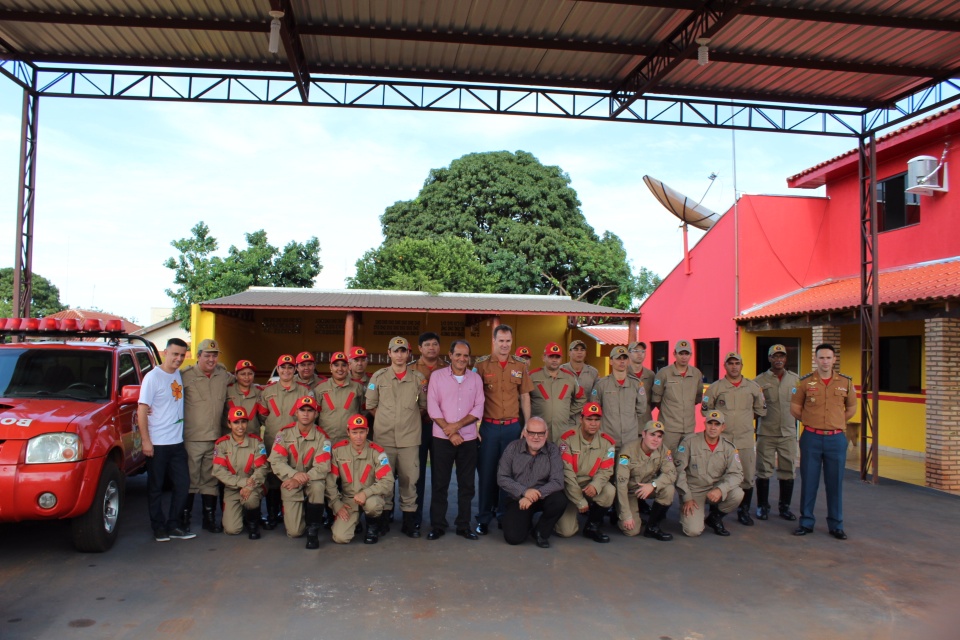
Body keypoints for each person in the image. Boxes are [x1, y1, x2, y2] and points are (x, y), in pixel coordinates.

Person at [790, 344, 856, 540]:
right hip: (812, 437)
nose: (825, 361)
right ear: (816, 359)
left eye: (828, 358)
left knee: (834, 483)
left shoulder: (845, 383)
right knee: (809, 481)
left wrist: (836, 422)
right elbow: (795, 407)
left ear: (834, 359)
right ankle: (806, 522)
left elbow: (851, 408)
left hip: (836, 439)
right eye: (821, 358)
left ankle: (836, 524)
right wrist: (812, 421)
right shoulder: (805, 383)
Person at [365, 336, 428, 538]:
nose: (399, 355)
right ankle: (383, 521)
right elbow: (371, 405)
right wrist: (386, 420)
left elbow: (424, 406)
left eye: (403, 351)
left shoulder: (418, 378)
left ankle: (409, 524)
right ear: (389, 353)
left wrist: (407, 421)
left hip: (409, 440)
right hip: (384, 440)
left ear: (408, 353)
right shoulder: (378, 377)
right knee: (384, 480)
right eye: (396, 350)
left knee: (410, 481)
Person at [473, 324, 533, 535]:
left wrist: (526, 424)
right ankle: (483, 518)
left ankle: (503, 515)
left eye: (508, 341)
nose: (505, 345)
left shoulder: (520, 365)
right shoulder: (481, 365)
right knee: (487, 475)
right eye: (501, 341)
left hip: (512, 429)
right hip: (488, 428)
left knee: (508, 474)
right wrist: (475, 425)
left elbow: (525, 395)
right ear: (494, 341)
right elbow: (474, 396)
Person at [137, 337, 196, 541]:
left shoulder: (179, 375)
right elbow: (142, 409)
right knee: (156, 488)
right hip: (157, 444)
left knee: (182, 485)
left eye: (182, 355)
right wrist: (146, 441)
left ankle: (174, 524)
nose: (178, 359)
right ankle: (158, 527)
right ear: (165, 353)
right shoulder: (152, 378)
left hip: (177, 443)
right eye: (175, 354)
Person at [425, 339, 484, 541]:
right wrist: (450, 432)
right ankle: (438, 525)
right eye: (458, 354)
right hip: (442, 438)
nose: (461, 359)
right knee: (440, 483)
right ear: (450, 355)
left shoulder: (475, 379)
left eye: (465, 355)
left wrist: (456, 427)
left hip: (467, 439)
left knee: (466, 484)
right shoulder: (437, 376)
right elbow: (433, 407)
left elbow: (478, 408)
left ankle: (463, 525)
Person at [701, 352, 766, 526]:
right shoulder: (716, 387)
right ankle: (715, 511)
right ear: (725, 366)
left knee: (747, 475)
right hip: (722, 440)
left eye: (737, 363)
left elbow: (760, 410)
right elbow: (706, 410)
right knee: (718, 474)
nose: (734, 366)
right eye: (730, 363)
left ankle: (743, 511)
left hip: (744, 439)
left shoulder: (753, 387)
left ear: (742, 365)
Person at [256, 354, 315, 529]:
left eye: (290, 367)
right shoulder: (267, 391)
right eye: (283, 367)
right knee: (274, 478)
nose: (287, 370)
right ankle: (273, 514)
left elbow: (311, 415)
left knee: (299, 475)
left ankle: (298, 514)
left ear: (295, 369)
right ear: (278, 368)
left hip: (299, 442)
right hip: (273, 441)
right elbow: (262, 416)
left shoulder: (304, 391)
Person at [180, 338, 233, 534]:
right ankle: (184, 517)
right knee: (191, 479)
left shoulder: (222, 374)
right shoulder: (185, 376)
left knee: (211, 479)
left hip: (215, 437)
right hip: (192, 437)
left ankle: (209, 518)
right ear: (198, 356)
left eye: (214, 355)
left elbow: (239, 381)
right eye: (207, 355)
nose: (211, 359)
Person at [267, 396, 332, 549]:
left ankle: (313, 530)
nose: (306, 414)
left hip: (311, 479)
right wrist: (294, 476)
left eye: (310, 411)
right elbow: (276, 461)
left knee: (317, 487)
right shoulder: (283, 434)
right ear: (296, 412)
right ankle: (301, 514)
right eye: (302, 410)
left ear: (316, 414)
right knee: (294, 532)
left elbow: (322, 466)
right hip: (291, 480)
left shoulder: (323, 437)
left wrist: (302, 478)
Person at [496, 416, 565, 548]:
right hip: (519, 498)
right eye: (532, 433)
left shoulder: (553, 450)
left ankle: (540, 531)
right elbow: (502, 477)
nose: (536, 437)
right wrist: (524, 492)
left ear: (547, 434)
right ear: (525, 432)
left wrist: (535, 494)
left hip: (544, 495)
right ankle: (525, 522)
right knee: (513, 538)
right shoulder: (513, 448)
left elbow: (557, 481)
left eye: (540, 433)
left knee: (559, 501)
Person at [326, 414, 395, 545]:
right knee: (340, 537)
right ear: (348, 432)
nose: (358, 436)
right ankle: (354, 523)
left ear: (367, 431)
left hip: (371, 497)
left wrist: (366, 493)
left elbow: (388, 481)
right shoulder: (338, 451)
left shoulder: (377, 452)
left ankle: (372, 528)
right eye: (354, 432)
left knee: (373, 505)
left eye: (362, 432)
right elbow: (330, 481)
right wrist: (336, 504)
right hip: (349, 500)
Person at [674, 410, 744, 537]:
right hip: (694, 490)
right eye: (710, 423)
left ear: (723, 427)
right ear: (704, 424)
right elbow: (679, 471)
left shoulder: (728, 447)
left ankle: (715, 518)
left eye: (717, 424)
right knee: (692, 531)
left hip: (715, 489)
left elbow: (737, 474)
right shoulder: (689, 442)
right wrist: (687, 497)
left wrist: (721, 489)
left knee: (738, 494)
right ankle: (690, 514)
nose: (713, 427)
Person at [554, 403, 616, 543]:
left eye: (597, 420)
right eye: (589, 419)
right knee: (566, 532)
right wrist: (579, 500)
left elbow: (606, 470)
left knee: (609, 491)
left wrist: (595, 485)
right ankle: (563, 515)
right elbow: (567, 473)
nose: (593, 424)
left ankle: (592, 526)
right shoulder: (567, 439)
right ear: (581, 419)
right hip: (570, 487)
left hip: (590, 485)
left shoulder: (608, 442)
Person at [754, 344, 801, 521]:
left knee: (788, 470)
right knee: (763, 470)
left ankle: (784, 507)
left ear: (785, 359)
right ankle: (762, 506)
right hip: (766, 432)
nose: (778, 359)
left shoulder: (796, 380)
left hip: (788, 434)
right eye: (775, 356)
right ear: (769, 359)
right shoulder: (759, 381)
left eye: (782, 356)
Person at [212, 407, 269, 539]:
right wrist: (242, 482)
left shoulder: (256, 442)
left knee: (250, 500)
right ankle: (241, 514)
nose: (240, 426)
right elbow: (219, 471)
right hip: (232, 488)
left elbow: (262, 468)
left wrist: (249, 486)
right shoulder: (222, 444)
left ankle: (253, 524)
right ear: (229, 424)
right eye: (236, 422)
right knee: (232, 529)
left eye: (243, 422)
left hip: (252, 487)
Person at [616, 420, 677, 541]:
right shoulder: (627, 451)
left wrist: (654, 485)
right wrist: (626, 515)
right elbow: (621, 484)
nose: (656, 439)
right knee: (631, 531)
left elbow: (671, 473)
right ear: (643, 434)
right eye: (652, 435)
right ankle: (617, 513)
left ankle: (652, 527)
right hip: (629, 492)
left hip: (647, 487)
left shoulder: (663, 450)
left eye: (659, 436)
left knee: (668, 489)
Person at [409, 331, 446, 530]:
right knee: (418, 474)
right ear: (420, 348)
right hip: (419, 428)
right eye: (427, 345)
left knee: (441, 476)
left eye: (435, 344)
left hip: (442, 428)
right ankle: (415, 518)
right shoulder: (411, 369)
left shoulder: (449, 369)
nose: (431, 348)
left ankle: (438, 519)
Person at [651, 339, 704, 454]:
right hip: (669, 428)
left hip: (689, 428)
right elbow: (656, 399)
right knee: (666, 459)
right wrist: (671, 410)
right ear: (674, 354)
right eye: (681, 353)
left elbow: (697, 397)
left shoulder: (696, 374)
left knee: (685, 460)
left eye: (686, 354)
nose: (683, 357)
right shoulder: (664, 373)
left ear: (691, 355)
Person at [590, 346, 647, 449]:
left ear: (628, 361)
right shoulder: (601, 385)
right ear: (611, 361)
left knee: (628, 465)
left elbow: (641, 409)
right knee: (607, 465)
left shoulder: (636, 384)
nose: (622, 362)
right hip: (607, 439)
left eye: (624, 358)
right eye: (618, 358)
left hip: (630, 440)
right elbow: (595, 410)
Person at [529, 342, 585, 442]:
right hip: (539, 431)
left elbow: (581, 398)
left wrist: (566, 411)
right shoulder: (533, 376)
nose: (554, 360)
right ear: (544, 357)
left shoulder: (569, 378)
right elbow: (522, 400)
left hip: (562, 430)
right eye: (551, 357)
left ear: (561, 359)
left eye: (557, 357)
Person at [314, 352, 366, 445]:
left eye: (343, 365)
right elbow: (314, 415)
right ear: (330, 367)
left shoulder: (358, 387)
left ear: (348, 366)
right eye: (336, 365)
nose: (340, 369)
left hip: (351, 441)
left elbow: (364, 412)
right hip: (326, 439)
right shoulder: (320, 388)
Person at [225, 359, 262, 437]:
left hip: (252, 439)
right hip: (229, 440)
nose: (247, 377)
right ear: (236, 375)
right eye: (242, 374)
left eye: (250, 374)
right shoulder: (227, 391)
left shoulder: (260, 392)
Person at [627, 341, 656, 425]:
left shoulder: (650, 375)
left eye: (642, 351)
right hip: (626, 423)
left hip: (645, 422)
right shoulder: (623, 373)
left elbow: (654, 400)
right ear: (629, 353)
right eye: (636, 351)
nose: (640, 354)